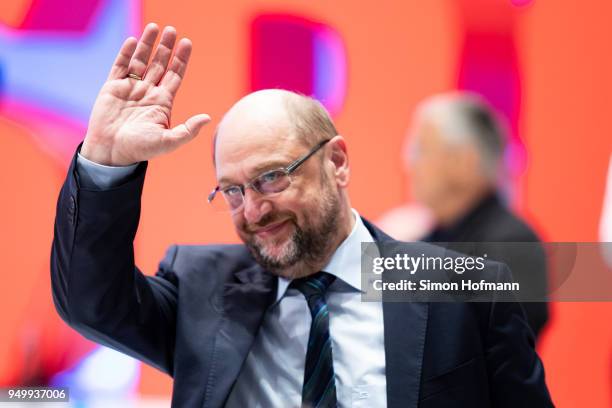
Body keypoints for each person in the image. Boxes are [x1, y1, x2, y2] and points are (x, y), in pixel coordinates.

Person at [51, 24, 553, 407]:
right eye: (231, 190)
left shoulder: (467, 288)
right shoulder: (202, 290)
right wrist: (105, 158)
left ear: (336, 162)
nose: (252, 210)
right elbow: (89, 303)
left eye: (271, 177)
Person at [406, 92, 550, 338]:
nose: (409, 163)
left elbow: (494, 341)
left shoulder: (511, 243)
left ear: (465, 162)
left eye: (421, 150)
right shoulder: (427, 239)